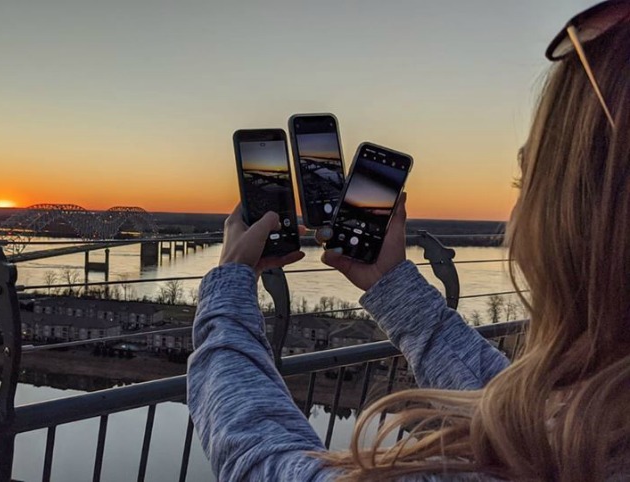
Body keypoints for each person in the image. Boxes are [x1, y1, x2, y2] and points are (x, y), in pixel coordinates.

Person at [187, 2, 630, 480]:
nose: (517, 218)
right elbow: (516, 416)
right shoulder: (600, 427)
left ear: (592, 223)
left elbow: (263, 463)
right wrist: (392, 285)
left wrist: (227, 289)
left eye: (527, 183)